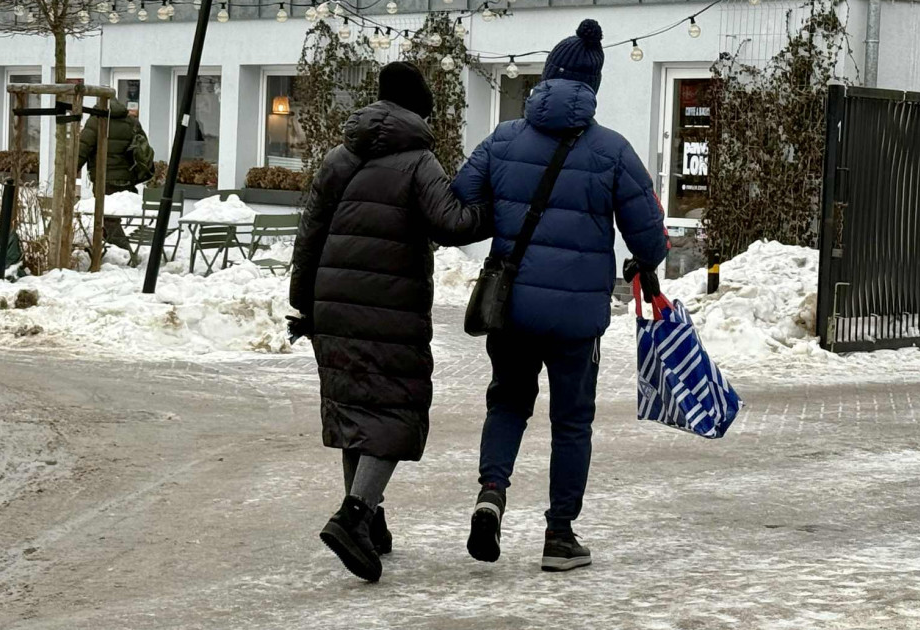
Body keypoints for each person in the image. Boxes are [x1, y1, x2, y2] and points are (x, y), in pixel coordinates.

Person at [451, 19, 669, 573]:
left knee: (507, 403)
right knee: (571, 423)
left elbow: (460, 200)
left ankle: (491, 495)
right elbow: (649, 238)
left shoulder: (502, 138)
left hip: (513, 308)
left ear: (547, 79)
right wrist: (642, 256)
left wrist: (507, 216)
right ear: (592, 87)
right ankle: (559, 535)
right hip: (577, 320)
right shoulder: (612, 150)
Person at [287, 61, 491, 583]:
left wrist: (303, 303)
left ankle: (370, 519)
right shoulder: (418, 161)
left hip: (334, 303)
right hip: (390, 306)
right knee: (393, 410)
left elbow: (310, 232)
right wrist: (494, 208)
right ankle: (353, 518)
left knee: (355, 409)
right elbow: (452, 224)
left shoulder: (338, 157)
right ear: (419, 110)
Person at [77, 99, 156, 248]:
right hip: (128, 178)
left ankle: (123, 248)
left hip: (104, 179)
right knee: (111, 216)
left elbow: (83, 148)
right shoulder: (132, 122)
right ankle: (109, 246)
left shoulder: (96, 121)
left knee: (108, 215)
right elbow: (142, 147)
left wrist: (71, 169)